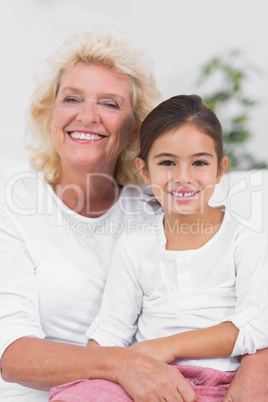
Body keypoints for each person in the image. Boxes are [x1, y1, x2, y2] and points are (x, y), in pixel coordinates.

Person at [0, 27, 267, 402]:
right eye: (72, 98)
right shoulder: (15, 204)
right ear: (50, 112)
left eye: (109, 103)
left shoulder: (163, 204)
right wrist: (122, 365)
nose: (88, 115)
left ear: (134, 131)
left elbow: (253, 308)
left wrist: (255, 370)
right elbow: (13, 356)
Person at [48, 95, 268, 402]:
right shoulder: (135, 245)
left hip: (223, 380)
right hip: (149, 379)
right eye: (167, 163)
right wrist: (88, 382)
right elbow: (112, 331)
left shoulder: (244, 239)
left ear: (220, 170)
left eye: (200, 163)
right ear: (144, 170)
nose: (183, 177)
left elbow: (256, 325)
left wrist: (169, 345)